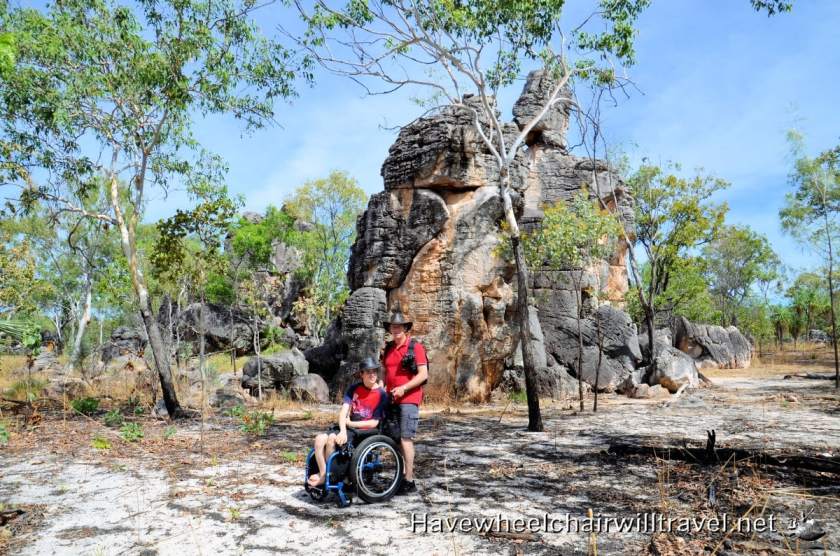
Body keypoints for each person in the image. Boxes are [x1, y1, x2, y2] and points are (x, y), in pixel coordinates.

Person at [307, 357, 387, 488]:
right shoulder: (354, 388)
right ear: (362, 374)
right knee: (319, 439)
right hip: (348, 427)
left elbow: (374, 423)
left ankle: (332, 476)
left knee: (332, 439)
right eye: (368, 372)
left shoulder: (381, 394)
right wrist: (343, 430)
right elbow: (343, 412)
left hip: (364, 431)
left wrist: (350, 424)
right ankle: (323, 473)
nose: (372, 375)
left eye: (374, 371)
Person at [381, 309, 428, 495]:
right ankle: (401, 475)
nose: (396, 330)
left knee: (405, 438)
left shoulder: (415, 347)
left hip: (409, 399)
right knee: (395, 438)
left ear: (405, 329)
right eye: (393, 327)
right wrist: (379, 389)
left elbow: (423, 374)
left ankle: (409, 480)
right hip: (391, 399)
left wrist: (404, 388)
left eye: (399, 327)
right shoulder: (388, 348)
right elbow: (384, 372)